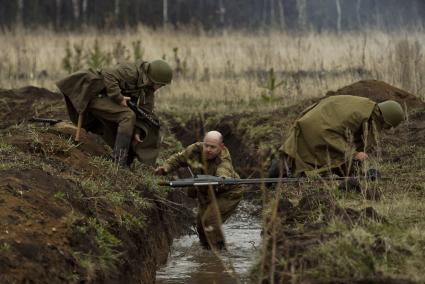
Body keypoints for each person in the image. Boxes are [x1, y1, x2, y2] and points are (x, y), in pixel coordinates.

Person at [56, 59, 172, 167]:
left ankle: (123, 159)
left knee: (129, 153)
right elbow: (107, 73)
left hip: (107, 100)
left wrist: (137, 131)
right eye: (161, 84)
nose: (161, 87)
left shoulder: (148, 90)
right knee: (127, 116)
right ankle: (118, 161)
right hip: (94, 95)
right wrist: (119, 98)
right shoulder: (131, 72)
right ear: (154, 79)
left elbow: (145, 113)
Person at [268, 95, 405, 178]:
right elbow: (329, 134)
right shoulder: (361, 115)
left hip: (311, 120)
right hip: (318, 127)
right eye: (387, 127)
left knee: (302, 155)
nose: (385, 130)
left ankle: (282, 168)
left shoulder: (366, 108)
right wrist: (354, 154)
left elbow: (349, 137)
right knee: (323, 157)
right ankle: (283, 171)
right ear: (385, 119)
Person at [155, 131, 242, 250]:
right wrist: (165, 168)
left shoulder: (224, 159)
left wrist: (222, 179)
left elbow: (224, 171)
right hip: (206, 191)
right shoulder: (195, 149)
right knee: (201, 226)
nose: (208, 149)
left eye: (212, 147)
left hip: (227, 192)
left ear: (221, 147)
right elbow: (179, 158)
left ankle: (219, 252)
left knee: (210, 220)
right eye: (206, 145)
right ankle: (206, 251)